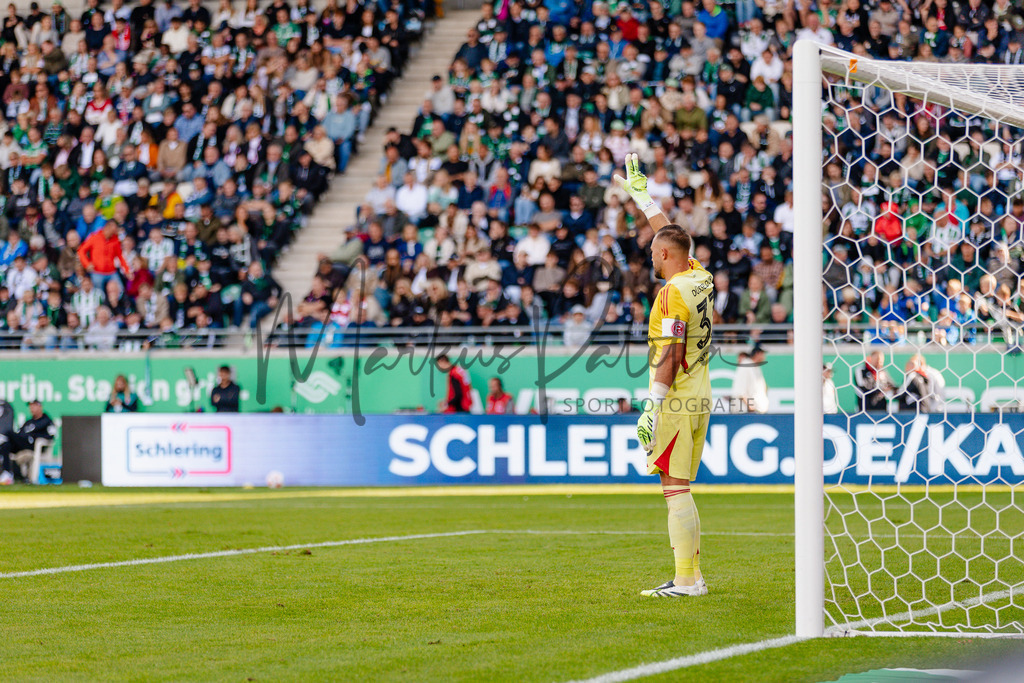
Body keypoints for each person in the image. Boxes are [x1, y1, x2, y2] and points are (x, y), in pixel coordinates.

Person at [618, 154, 712, 598]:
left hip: (675, 395)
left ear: (664, 256)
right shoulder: (699, 275)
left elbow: (672, 351)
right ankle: (692, 576)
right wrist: (644, 200)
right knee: (681, 486)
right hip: (700, 389)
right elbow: (673, 235)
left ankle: (685, 581)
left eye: (654, 252)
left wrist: (651, 407)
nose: (651, 255)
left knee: (673, 488)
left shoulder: (673, 293)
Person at [0, 400, 56, 484]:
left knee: (9, 433)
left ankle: (3, 437)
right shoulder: (29, 422)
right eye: (30, 406)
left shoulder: (46, 420)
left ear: (39, 407)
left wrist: (35, 437)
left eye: (34, 406)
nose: (31, 408)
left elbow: (51, 435)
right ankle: (8, 473)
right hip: (22, 444)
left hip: (33, 445)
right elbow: (20, 433)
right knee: (6, 445)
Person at [731, 344, 769, 413]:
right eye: (763, 354)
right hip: (746, 412)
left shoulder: (756, 367)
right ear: (758, 354)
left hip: (755, 411)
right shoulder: (745, 365)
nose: (764, 357)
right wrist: (751, 407)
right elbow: (740, 390)